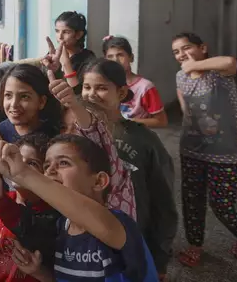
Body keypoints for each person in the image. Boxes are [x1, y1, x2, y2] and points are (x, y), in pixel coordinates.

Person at [0, 126, 159, 282]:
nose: (50, 171)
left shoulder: (118, 224)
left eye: (63, 162)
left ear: (99, 181)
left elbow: (87, 214)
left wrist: (22, 173)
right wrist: (40, 273)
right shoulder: (61, 228)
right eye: (46, 165)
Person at [76, 58, 177, 279]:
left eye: (102, 88)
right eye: (86, 87)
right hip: (83, 242)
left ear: (121, 93)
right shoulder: (75, 135)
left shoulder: (143, 140)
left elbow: (163, 202)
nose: (91, 94)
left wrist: (160, 259)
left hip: (130, 240)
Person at [172, 32, 237, 266]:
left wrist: (196, 63)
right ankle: (194, 246)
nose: (181, 55)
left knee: (222, 205)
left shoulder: (220, 73)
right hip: (191, 150)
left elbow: (230, 62)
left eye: (186, 48)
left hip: (224, 153)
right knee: (192, 202)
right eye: (176, 52)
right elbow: (186, 112)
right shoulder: (180, 77)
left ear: (203, 47)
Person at [51, 67, 136, 220]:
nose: (69, 134)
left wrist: (74, 104)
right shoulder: (69, 163)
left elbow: (92, 130)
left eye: (77, 128)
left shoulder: (110, 163)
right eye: (65, 127)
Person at [0, 133, 54, 282]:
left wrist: (1, 201)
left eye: (32, 163)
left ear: (45, 172)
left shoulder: (51, 213)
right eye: (17, 159)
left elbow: (32, 232)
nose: (20, 167)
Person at [102, 36, 168, 128]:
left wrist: (131, 122)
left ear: (131, 58)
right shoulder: (104, 84)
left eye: (120, 55)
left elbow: (161, 121)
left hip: (137, 138)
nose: (115, 60)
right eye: (110, 57)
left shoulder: (145, 87)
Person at [0, 64, 61, 143]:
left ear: (42, 102)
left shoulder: (54, 135)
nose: (13, 104)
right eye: (8, 95)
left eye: (24, 96)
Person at [42, 12, 97, 94]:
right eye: (57, 31)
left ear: (78, 34)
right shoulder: (53, 54)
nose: (60, 36)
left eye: (66, 32)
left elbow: (79, 95)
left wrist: (66, 64)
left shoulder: (88, 60)